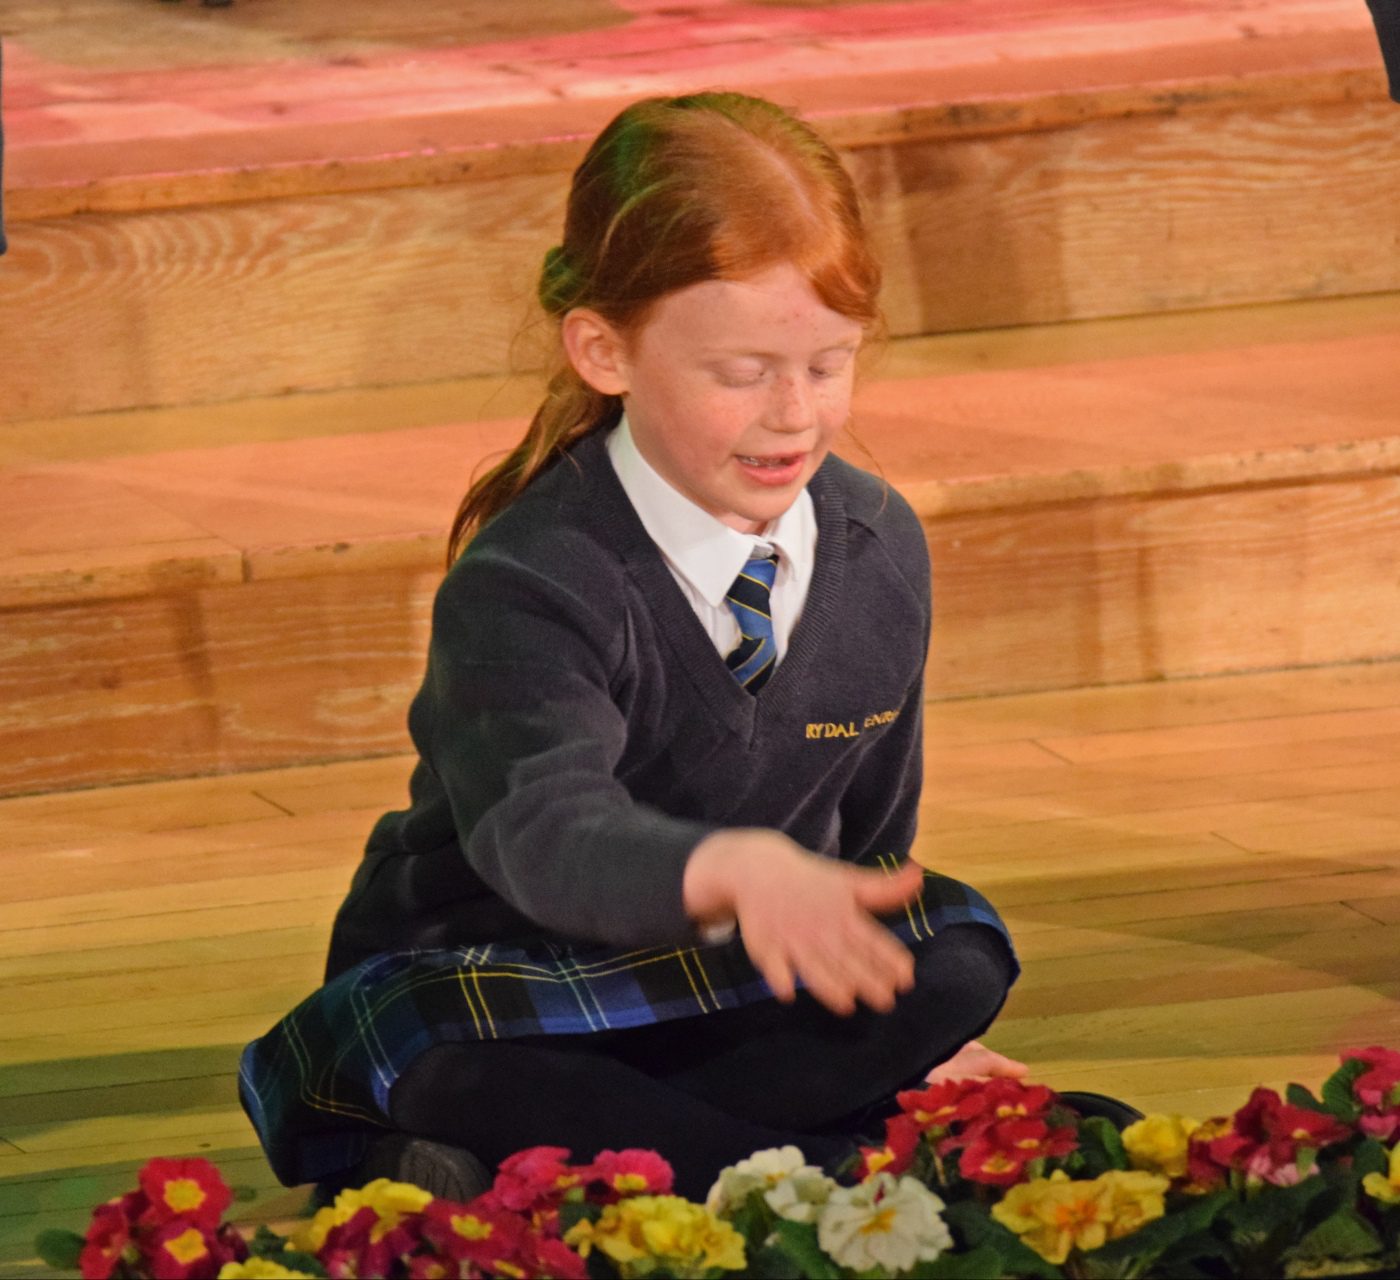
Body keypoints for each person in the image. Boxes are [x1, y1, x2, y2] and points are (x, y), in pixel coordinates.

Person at [239, 90, 1027, 1205]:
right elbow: (544, 834)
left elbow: (869, 831)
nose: (795, 414)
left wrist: (888, 1002)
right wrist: (728, 872)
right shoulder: (534, 573)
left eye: (828, 363)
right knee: (437, 1055)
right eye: (741, 372)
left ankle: (593, 1159)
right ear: (604, 350)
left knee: (955, 948)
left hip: (722, 987)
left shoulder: (879, 543)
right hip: (502, 972)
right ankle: (818, 1175)